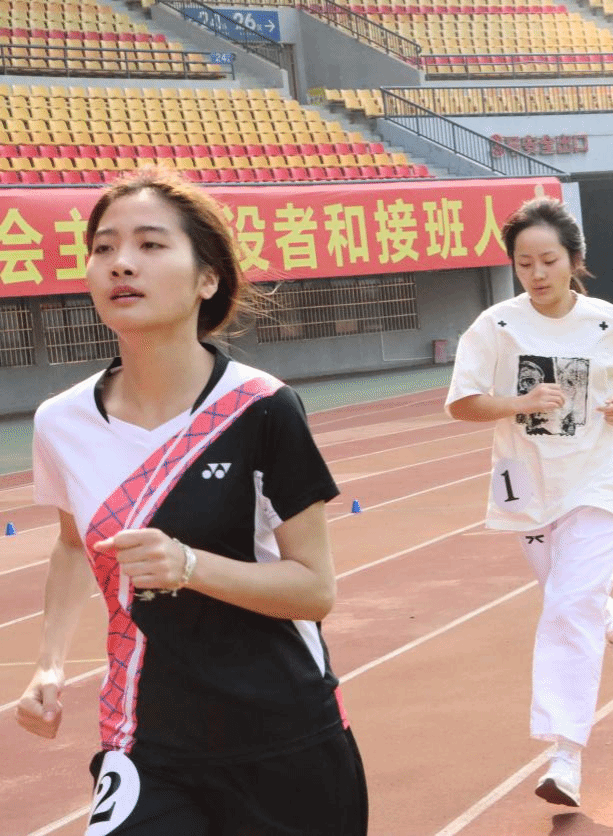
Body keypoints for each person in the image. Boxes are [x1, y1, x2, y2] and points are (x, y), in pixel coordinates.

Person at [15, 171, 368, 835]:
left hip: (285, 737)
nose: (121, 263)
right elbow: (71, 544)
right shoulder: (62, 422)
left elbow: (314, 590)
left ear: (207, 279)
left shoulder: (263, 408)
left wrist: (189, 566)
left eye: (150, 245)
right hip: (147, 740)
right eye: (103, 248)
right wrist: (49, 664)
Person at [445, 196, 613, 808]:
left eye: (548, 261)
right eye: (524, 264)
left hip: (599, 476)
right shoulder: (497, 326)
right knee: (572, 601)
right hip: (529, 483)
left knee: (566, 606)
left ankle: (564, 757)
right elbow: (461, 404)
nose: (537, 274)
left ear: (574, 260)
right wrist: (519, 403)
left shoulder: (605, 321)